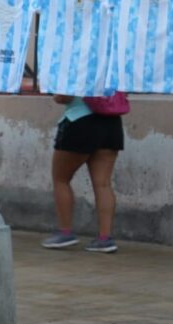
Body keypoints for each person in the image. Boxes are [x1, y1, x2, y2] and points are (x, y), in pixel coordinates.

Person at [41, 95, 124, 253]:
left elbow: (63, 97)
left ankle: (65, 232)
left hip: (79, 121)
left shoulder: (77, 69)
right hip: (111, 123)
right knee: (103, 183)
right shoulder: (113, 69)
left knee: (61, 179)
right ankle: (105, 239)